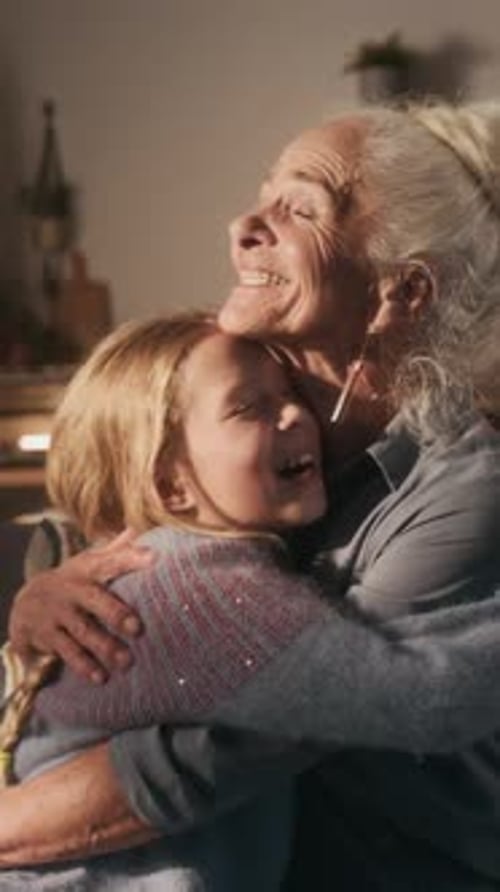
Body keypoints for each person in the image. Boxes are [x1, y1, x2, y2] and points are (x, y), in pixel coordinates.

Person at [3, 99, 500, 890]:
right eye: (262, 193)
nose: (243, 225)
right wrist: (42, 598)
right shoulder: (254, 383)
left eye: (299, 207)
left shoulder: (467, 493)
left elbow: (236, 745)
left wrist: (11, 824)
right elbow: (123, 515)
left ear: (398, 293)